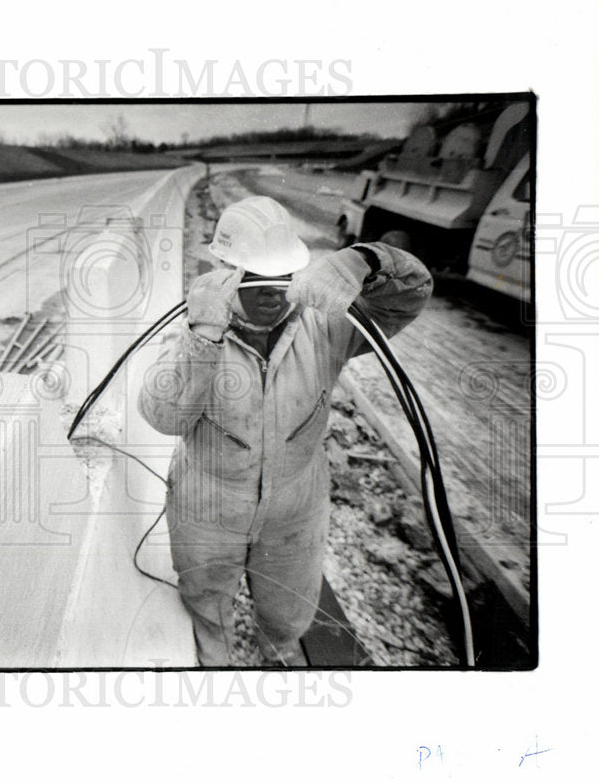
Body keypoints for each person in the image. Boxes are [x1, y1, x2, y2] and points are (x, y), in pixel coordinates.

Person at [138, 196, 433, 666]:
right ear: (227, 268)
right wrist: (203, 340)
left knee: (289, 606)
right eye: (255, 277)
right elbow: (164, 417)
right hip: (207, 503)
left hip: (296, 505)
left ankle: (282, 658)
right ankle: (214, 668)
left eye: (281, 274)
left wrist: (368, 259)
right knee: (206, 599)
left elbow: (411, 296)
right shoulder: (195, 324)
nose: (271, 290)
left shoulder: (324, 323)